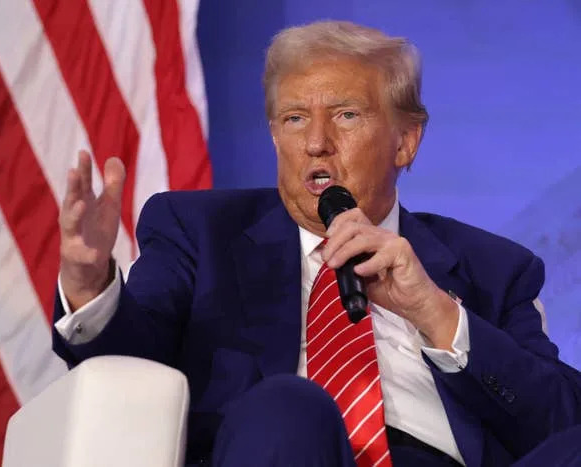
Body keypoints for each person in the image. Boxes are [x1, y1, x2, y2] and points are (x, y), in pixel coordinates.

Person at [52, 20, 581, 467]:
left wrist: (438, 315)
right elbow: (127, 367)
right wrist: (88, 284)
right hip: (284, 444)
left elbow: (558, 423)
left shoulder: (495, 267)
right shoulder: (198, 229)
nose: (315, 142)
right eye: (294, 118)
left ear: (406, 140)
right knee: (288, 407)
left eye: (346, 115)